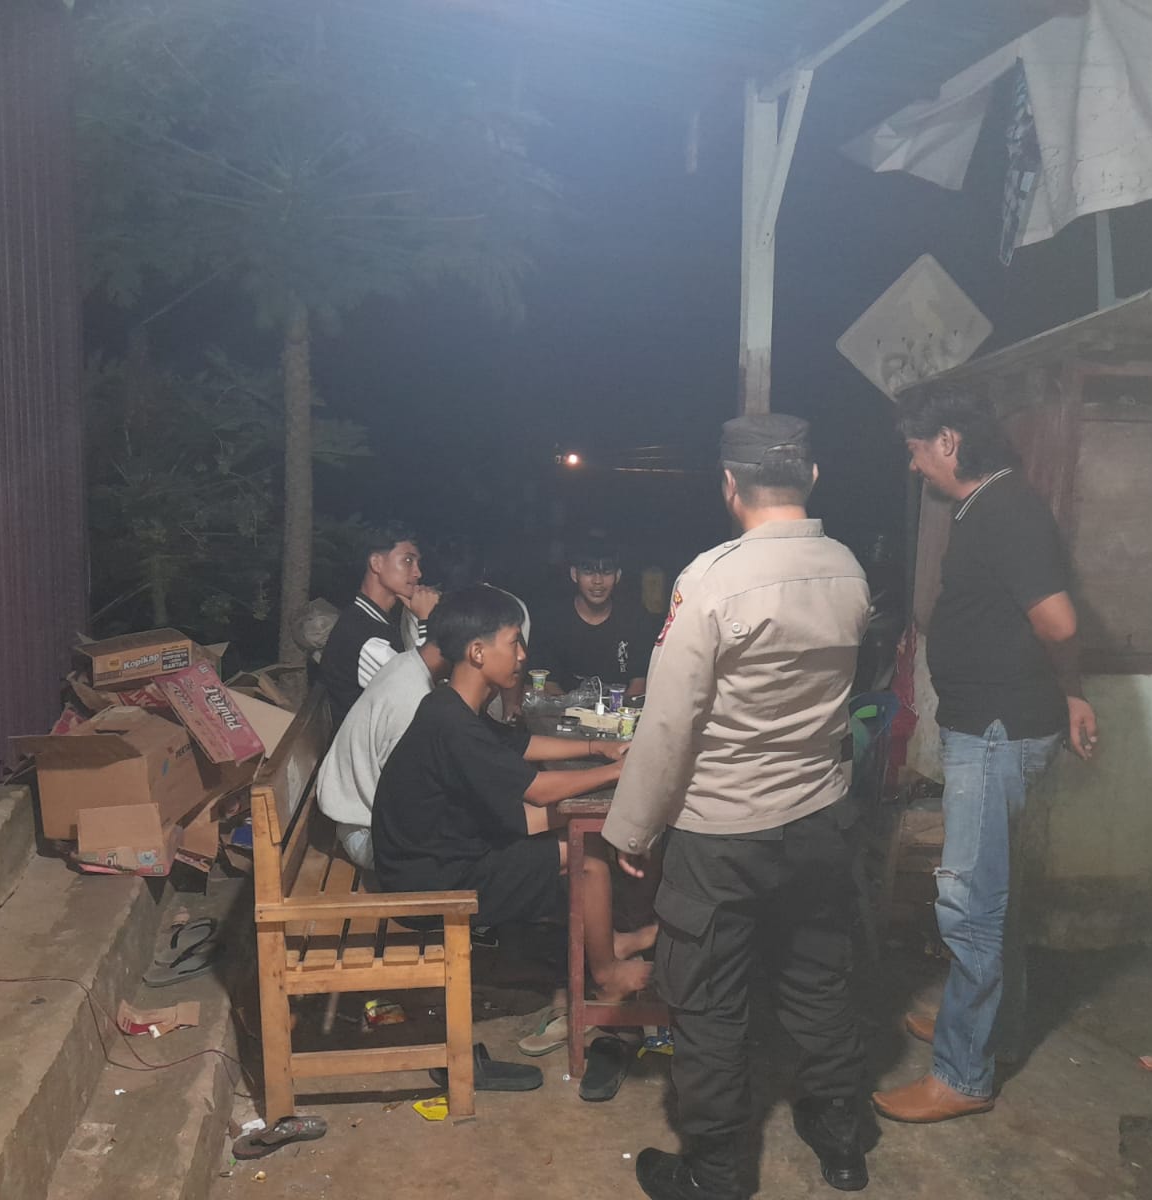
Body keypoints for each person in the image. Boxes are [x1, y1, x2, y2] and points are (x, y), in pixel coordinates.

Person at [604, 414, 875, 1200]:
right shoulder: (849, 571)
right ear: (811, 477)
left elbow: (670, 721)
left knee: (710, 1004)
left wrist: (632, 829)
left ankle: (716, 1174)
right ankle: (843, 1143)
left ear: (729, 486)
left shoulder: (712, 581)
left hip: (722, 831)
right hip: (820, 818)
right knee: (819, 980)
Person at [872, 386, 1098, 1125]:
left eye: (916, 452)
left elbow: (1057, 621)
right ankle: (989, 1029)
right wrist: (1067, 694)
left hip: (998, 732)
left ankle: (964, 1073)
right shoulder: (991, 505)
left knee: (971, 904)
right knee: (997, 897)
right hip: (997, 724)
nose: (913, 467)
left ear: (947, 441)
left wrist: (1065, 688)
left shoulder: (1006, 510)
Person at [372, 586, 656, 999]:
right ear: (477, 652)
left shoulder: (449, 704)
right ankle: (607, 974)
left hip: (443, 851)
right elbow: (538, 790)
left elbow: (521, 745)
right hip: (431, 880)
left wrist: (598, 748)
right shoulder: (453, 725)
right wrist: (616, 771)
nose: (523, 655)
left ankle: (607, 943)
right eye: (513, 642)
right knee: (588, 858)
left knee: (579, 831)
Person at [315, 635, 449, 872]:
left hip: (355, 820)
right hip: (367, 837)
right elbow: (409, 808)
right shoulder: (413, 701)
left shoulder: (406, 662)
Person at [315, 523, 440, 722]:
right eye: (408, 561)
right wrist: (425, 621)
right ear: (376, 564)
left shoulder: (377, 621)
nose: (418, 573)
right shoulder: (363, 636)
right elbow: (420, 696)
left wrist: (418, 617)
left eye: (417, 563)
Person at [528, 536, 655, 698]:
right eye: (588, 572)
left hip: (619, 710)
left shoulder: (635, 618)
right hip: (563, 709)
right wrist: (573, 710)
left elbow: (639, 684)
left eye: (606, 572)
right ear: (574, 574)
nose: (597, 581)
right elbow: (547, 683)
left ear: (617, 576)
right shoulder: (551, 619)